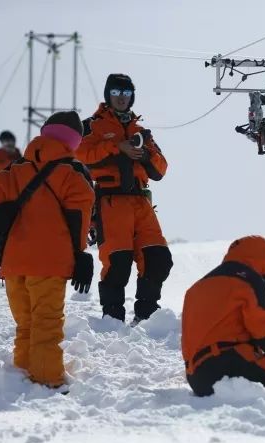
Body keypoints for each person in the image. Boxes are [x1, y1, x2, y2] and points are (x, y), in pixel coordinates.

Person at [0, 111, 94, 388]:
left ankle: (23, 374)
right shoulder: (72, 174)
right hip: (49, 262)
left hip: (13, 264)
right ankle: (48, 380)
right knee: (46, 325)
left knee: (25, 325)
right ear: (73, 143)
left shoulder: (13, 171)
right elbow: (79, 216)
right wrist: (80, 253)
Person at [76, 73, 172, 324]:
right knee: (117, 262)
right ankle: (112, 321)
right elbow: (80, 154)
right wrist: (116, 148)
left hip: (141, 200)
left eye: (126, 94)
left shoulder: (142, 132)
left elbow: (161, 169)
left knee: (158, 259)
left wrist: (144, 156)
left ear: (132, 97)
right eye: (116, 93)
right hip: (111, 201)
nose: (121, 98)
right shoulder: (91, 126)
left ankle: (147, 316)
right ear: (108, 95)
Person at [182, 235, 265, 398]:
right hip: (231, 363)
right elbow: (264, 333)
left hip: (196, 376)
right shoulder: (250, 281)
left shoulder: (195, 289)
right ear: (263, 264)